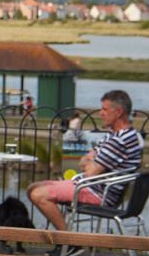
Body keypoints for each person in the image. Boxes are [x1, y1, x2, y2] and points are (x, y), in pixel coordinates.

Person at [28, 89, 142, 243]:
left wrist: (90, 160)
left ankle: (69, 242)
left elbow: (90, 172)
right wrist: (90, 160)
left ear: (119, 112)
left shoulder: (119, 140)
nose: (100, 113)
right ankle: (69, 241)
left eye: (104, 109)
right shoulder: (117, 135)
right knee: (32, 188)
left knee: (38, 194)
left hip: (97, 192)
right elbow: (85, 161)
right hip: (91, 186)